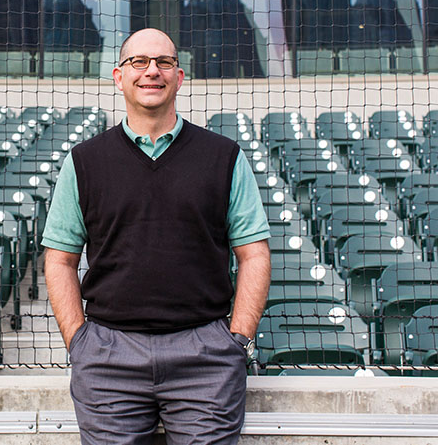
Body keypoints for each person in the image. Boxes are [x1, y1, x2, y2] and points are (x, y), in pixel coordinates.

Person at [43, 28, 271, 445]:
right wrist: (80, 341)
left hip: (205, 357)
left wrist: (237, 339)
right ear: (118, 76)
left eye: (164, 62)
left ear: (179, 77)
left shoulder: (224, 157)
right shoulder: (83, 162)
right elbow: (59, 259)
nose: (152, 72)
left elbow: (254, 253)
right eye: (139, 62)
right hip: (109, 358)